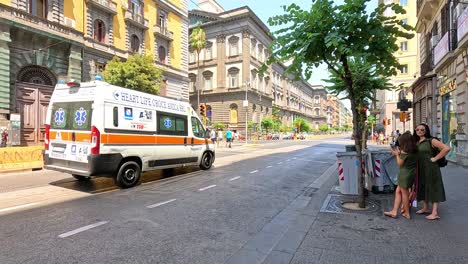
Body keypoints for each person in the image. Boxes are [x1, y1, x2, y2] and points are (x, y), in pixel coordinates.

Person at [413, 123, 450, 220]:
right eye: (417, 130)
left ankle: (435, 213)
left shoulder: (431, 140)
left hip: (431, 168)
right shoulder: (417, 142)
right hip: (421, 168)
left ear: (426, 131)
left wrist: (435, 158)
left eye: (422, 130)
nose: (420, 131)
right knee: (424, 186)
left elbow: (446, 148)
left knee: (434, 187)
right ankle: (425, 208)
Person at [384, 132, 418, 220]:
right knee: (398, 192)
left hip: (404, 174)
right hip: (410, 173)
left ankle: (407, 213)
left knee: (404, 194)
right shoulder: (415, 150)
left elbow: (400, 164)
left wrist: (396, 154)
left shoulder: (405, 152)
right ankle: (394, 211)